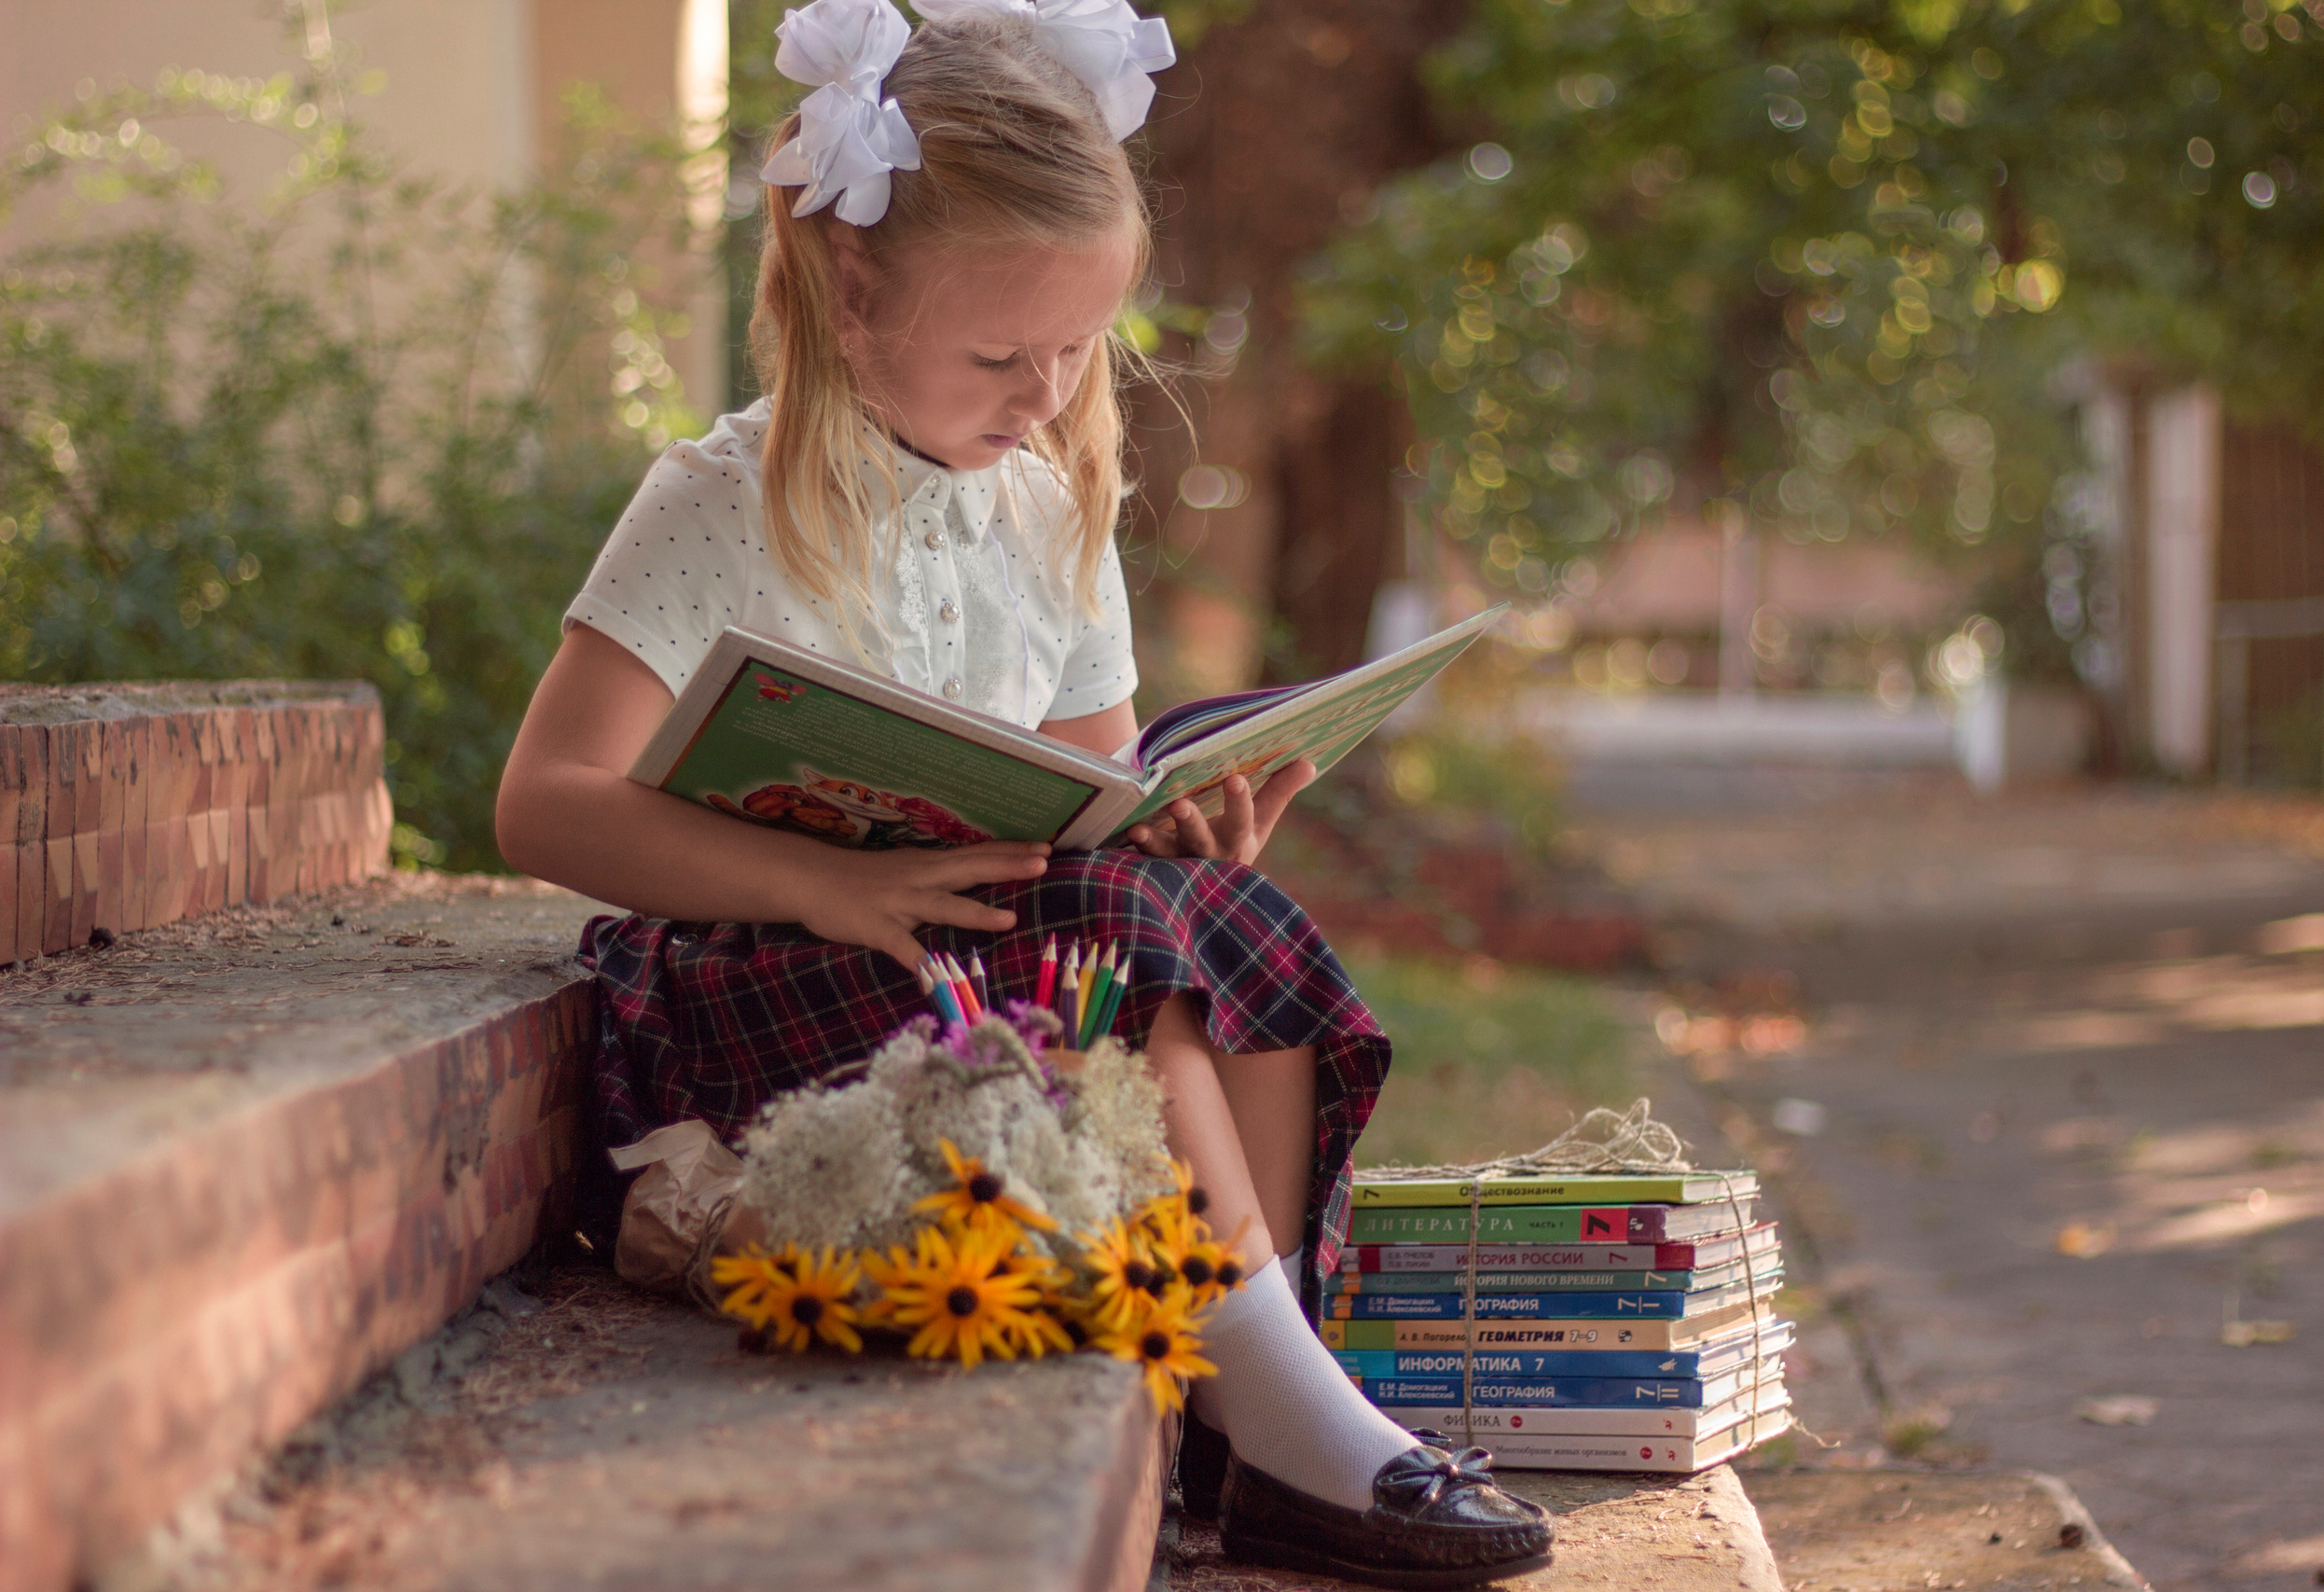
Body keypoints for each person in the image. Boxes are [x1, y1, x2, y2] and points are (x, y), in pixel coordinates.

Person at [493, 2, 1550, 1583]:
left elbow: (1097, 797)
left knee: (1197, 907)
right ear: (852, 297)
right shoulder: (718, 500)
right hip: (761, 986)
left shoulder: (1050, 503)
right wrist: (829, 883)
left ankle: (1263, 1400)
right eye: (1001, 355)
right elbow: (543, 804)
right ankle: (1290, 1430)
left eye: (1079, 349)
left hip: (992, 967)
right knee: (1122, 928)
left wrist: (1191, 828)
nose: (1047, 394)